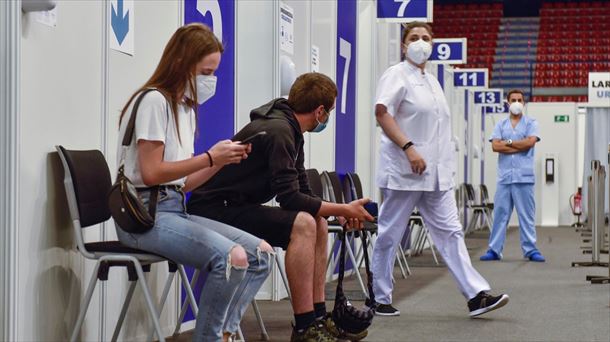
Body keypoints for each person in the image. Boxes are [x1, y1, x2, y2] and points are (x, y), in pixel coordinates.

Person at [114, 23, 273, 342]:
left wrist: (221, 161)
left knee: (261, 254)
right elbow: (152, 173)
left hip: (172, 209)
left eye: (213, 72)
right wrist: (210, 158)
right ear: (181, 64)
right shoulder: (153, 102)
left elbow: (182, 184)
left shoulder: (184, 109)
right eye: (205, 71)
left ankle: (226, 333)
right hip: (143, 216)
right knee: (232, 257)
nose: (209, 80)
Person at [187, 72, 374, 341]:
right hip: (212, 209)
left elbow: (302, 192)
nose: (328, 118)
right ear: (320, 111)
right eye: (330, 112)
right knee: (304, 223)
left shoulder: (291, 129)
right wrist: (344, 210)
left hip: (236, 206)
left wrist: (336, 212)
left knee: (317, 220)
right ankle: (304, 326)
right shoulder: (280, 131)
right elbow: (289, 199)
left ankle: (318, 317)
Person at [371, 21, 509, 318]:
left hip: (436, 175)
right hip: (404, 172)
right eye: (414, 38)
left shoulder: (433, 81)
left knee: (451, 233)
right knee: (389, 234)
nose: (421, 42)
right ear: (404, 45)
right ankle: (379, 296)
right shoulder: (396, 75)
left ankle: (476, 296)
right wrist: (409, 148)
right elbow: (382, 113)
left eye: (426, 38)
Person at [480, 89, 545, 262]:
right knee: (500, 215)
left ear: (523, 103)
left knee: (526, 215)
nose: (516, 102)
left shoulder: (531, 123)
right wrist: (518, 144)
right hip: (505, 178)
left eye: (519, 100)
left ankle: (530, 249)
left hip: (524, 178)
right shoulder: (500, 125)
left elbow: (530, 143)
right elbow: (495, 146)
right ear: (508, 103)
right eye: (513, 99)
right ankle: (494, 250)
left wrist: (507, 142)